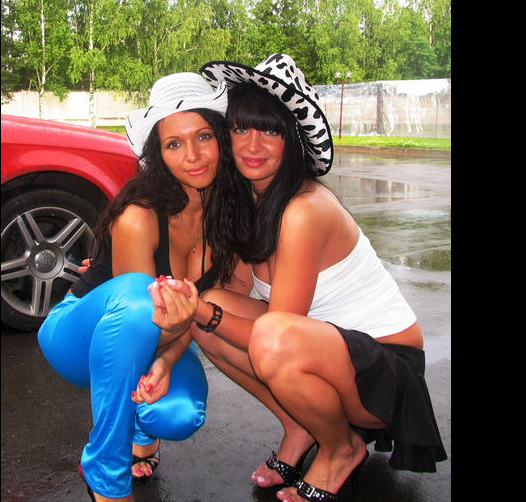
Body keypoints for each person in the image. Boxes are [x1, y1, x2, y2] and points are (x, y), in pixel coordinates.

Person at [171, 53, 447, 501]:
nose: (252, 145)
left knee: (258, 333)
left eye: (270, 130)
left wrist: (202, 311)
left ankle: (340, 449)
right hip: (327, 350)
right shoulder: (250, 201)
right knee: (212, 315)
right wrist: (186, 300)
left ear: (293, 138)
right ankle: (299, 425)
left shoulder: (303, 210)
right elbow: (234, 291)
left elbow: (278, 330)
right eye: (241, 129)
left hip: (384, 369)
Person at [37, 72, 244, 502]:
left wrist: (167, 360)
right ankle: (105, 475)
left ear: (221, 138)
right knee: (139, 300)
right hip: (79, 336)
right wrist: (172, 339)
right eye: (174, 144)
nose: (193, 155)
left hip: (156, 337)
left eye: (203, 136)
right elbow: (138, 318)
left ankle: (140, 431)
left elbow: (192, 316)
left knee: (179, 414)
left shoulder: (226, 217)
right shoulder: (140, 217)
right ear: (158, 154)